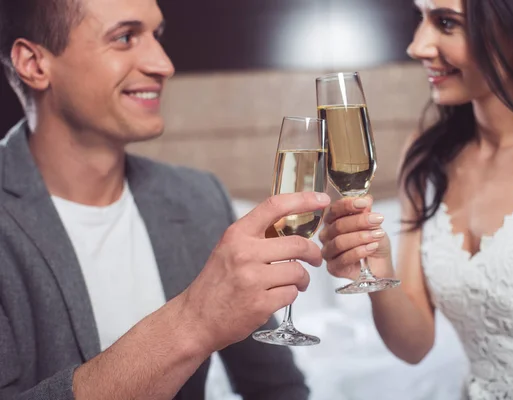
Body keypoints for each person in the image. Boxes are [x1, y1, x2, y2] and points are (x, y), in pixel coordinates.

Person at [0, 0, 331, 399]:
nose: (164, 64)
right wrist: (193, 321)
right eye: (125, 37)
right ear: (34, 64)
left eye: (156, 36)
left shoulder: (198, 198)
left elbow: (277, 388)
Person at [319, 0, 513, 398]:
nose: (417, 46)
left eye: (446, 23)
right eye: (421, 19)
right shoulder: (426, 158)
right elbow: (413, 346)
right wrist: (377, 265)